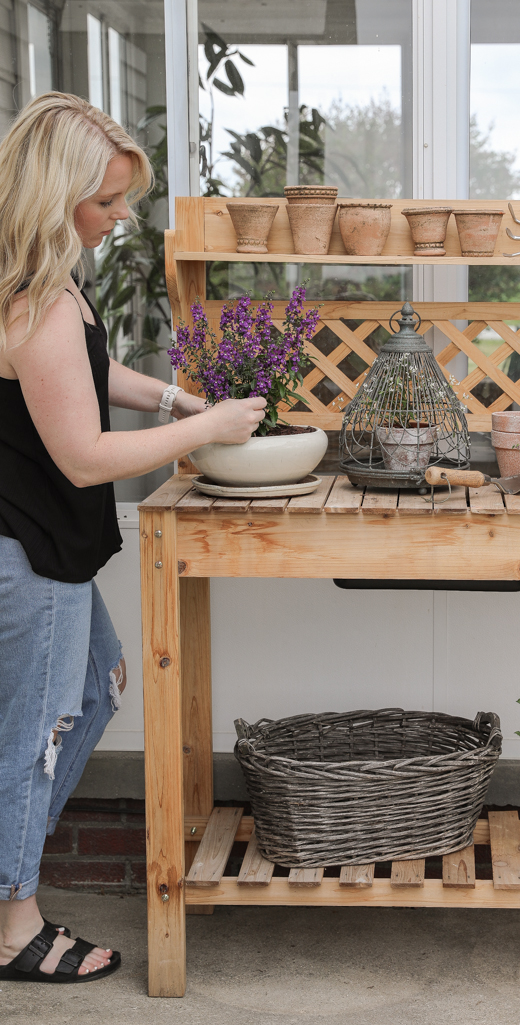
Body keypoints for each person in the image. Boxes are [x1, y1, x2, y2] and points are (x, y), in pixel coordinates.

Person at [0, 92, 265, 983]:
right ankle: (13, 922)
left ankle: (7, 872)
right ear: (52, 194)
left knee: (93, 685)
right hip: (27, 549)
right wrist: (210, 429)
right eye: (106, 202)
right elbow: (81, 456)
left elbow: (88, 371)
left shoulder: (49, 280)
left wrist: (173, 397)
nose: (119, 219)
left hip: (44, 546)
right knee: (37, 731)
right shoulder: (33, 300)